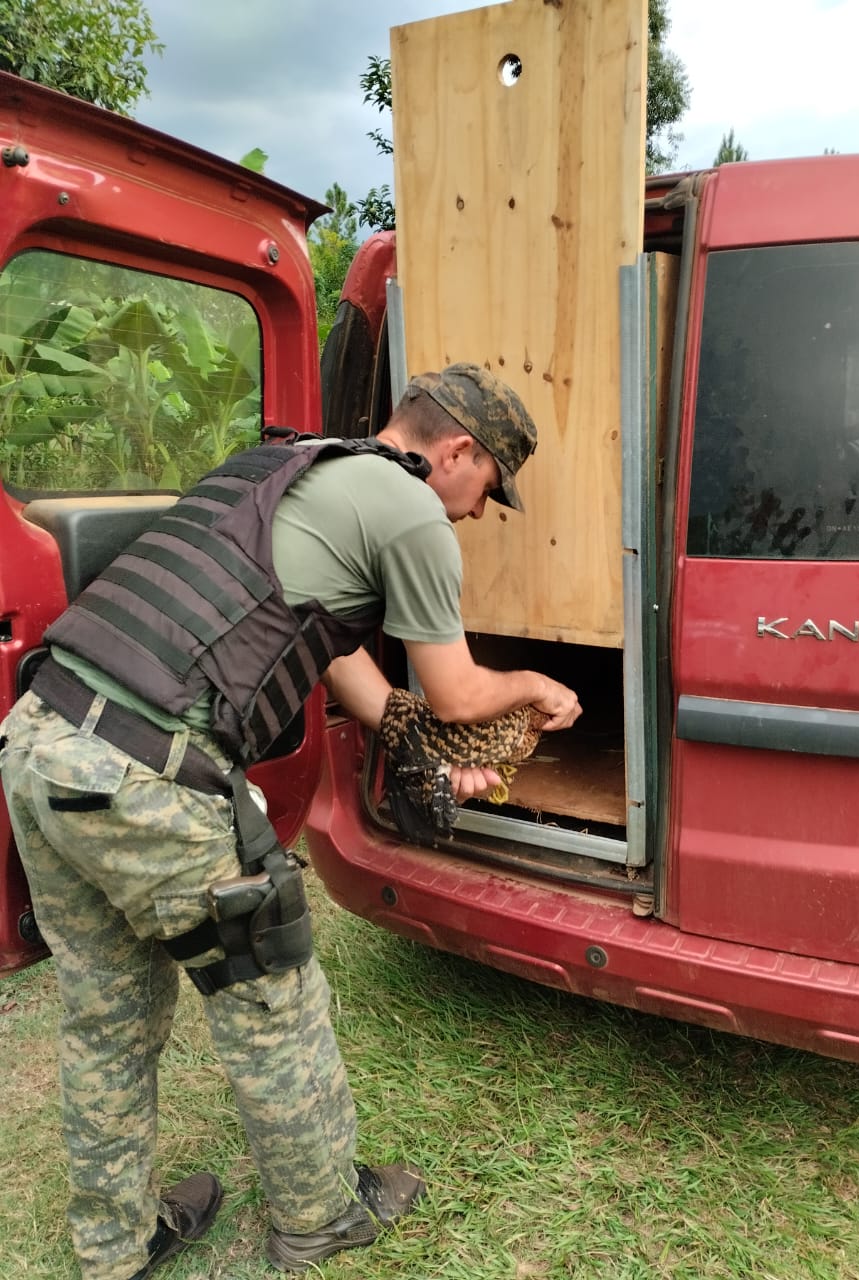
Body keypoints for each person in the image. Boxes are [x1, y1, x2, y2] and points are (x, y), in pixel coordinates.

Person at [0, 362, 582, 1280]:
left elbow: (324, 647)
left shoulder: (283, 468)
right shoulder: (410, 508)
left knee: (108, 1016)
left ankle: (112, 1249)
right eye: (488, 488)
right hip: (144, 779)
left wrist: (400, 728)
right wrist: (536, 687)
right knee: (274, 1002)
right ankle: (323, 1216)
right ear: (458, 451)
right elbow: (460, 689)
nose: (478, 511)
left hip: (39, 741)